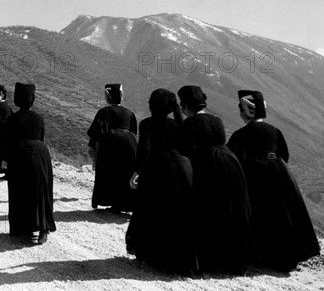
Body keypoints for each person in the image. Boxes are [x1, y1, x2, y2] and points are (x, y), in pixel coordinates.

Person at [227, 90, 320, 271]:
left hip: (255, 175)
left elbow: (233, 158)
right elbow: (284, 154)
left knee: (262, 215)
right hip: (280, 173)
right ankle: (288, 256)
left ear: (245, 111)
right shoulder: (274, 131)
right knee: (283, 214)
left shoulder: (240, 135)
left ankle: (264, 256)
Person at [177, 85, 253, 274]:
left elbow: (185, 150)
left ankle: (208, 258)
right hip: (229, 162)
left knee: (206, 210)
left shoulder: (190, 124)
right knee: (228, 209)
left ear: (185, 105)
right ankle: (231, 258)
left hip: (206, 166)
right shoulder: (216, 120)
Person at [125, 89, 196, 274]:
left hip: (154, 169)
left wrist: (136, 172)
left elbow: (144, 149)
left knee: (149, 207)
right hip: (176, 170)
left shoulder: (147, 124)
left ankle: (146, 251)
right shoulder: (178, 125)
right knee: (170, 209)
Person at [2, 82, 56, 245]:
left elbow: (8, 142)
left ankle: (23, 227)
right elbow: (41, 138)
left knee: (21, 191)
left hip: (21, 156)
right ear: (32, 99)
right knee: (41, 191)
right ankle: (43, 229)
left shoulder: (12, 119)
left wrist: (6, 160)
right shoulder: (39, 118)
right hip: (41, 154)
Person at [87, 84, 138, 213]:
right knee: (126, 171)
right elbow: (133, 131)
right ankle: (127, 204)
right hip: (130, 142)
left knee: (111, 171)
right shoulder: (129, 113)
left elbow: (96, 132)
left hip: (111, 142)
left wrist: (93, 148)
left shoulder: (104, 112)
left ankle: (113, 202)